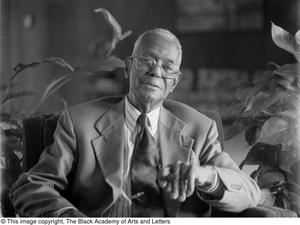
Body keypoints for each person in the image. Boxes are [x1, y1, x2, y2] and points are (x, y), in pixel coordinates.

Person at [9, 28, 260, 217]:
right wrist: (72, 220)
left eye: (168, 67)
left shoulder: (200, 128)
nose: (156, 71)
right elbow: (31, 186)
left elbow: (250, 192)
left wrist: (204, 174)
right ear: (128, 67)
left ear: (174, 82)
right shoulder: (78, 122)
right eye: (146, 60)